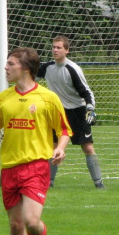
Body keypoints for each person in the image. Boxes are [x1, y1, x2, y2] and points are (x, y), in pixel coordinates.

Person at [0, 47, 72, 235]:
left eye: (10, 64)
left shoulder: (47, 98)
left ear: (25, 68)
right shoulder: (3, 98)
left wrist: (60, 148)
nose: (6, 68)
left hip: (36, 166)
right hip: (9, 168)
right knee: (15, 226)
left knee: (31, 221)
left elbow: (64, 130)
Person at [37, 35, 105, 188]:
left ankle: (99, 183)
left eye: (59, 47)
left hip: (78, 111)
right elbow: (31, 79)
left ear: (67, 50)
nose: (55, 50)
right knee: (55, 147)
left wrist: (90, 109)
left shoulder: (72, 69)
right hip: (59, 112)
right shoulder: (47, 67)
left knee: (87, 147)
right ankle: (49, 183)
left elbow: (87, 92)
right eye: (54, 47)